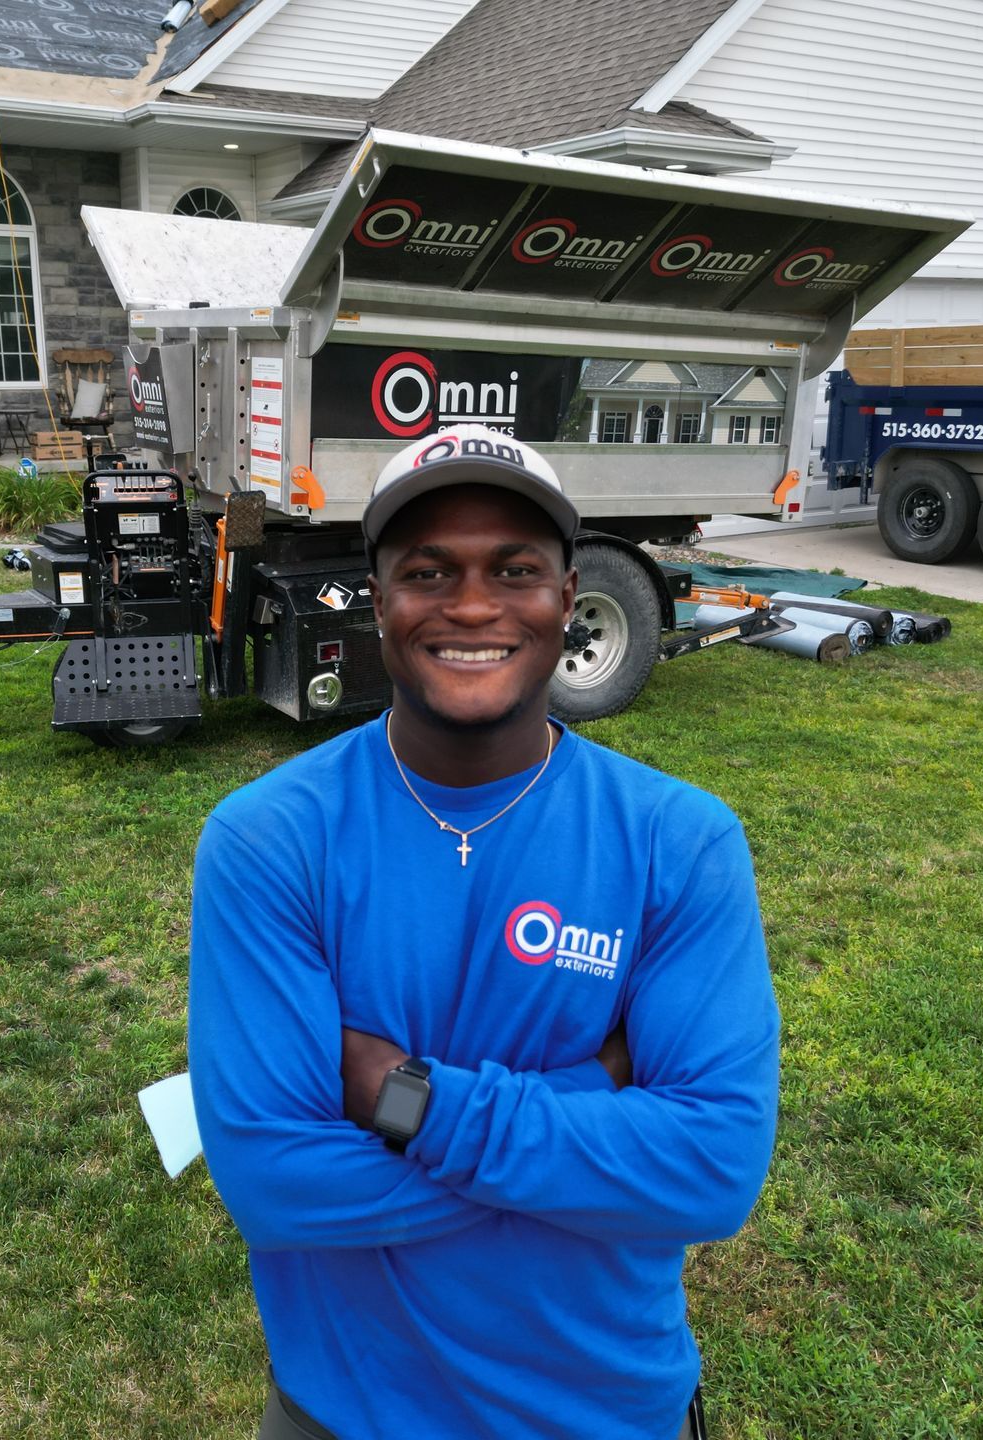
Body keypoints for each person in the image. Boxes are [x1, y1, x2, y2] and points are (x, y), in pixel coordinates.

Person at [188, 424, 781, 1440]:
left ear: (565, 597)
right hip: (347, 1411)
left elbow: (713, 1169)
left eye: (514, 570)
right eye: (429, 571)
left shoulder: (677, 842)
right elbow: (276, 1183)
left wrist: (398, 1097)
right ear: (379, 604)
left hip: (607, 1412)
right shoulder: (271, 841)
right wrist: (592, 1093)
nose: (471, 605)